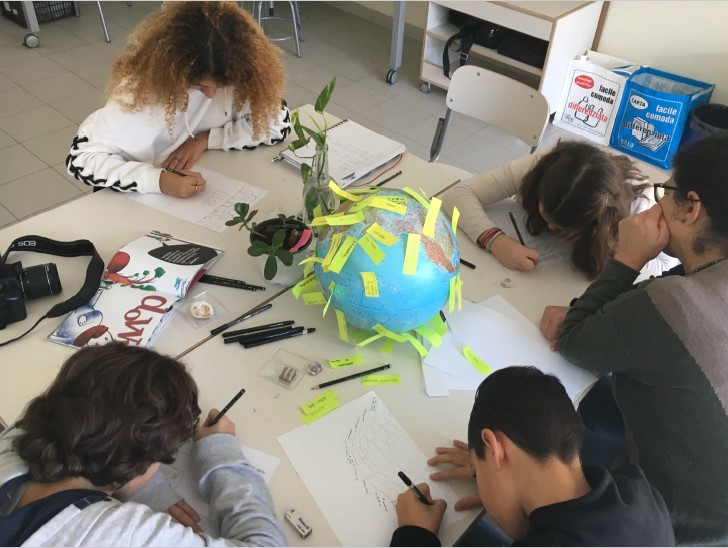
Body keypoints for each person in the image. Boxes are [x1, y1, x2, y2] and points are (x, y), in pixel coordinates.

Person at [547, 133, 728, 545]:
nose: (658, 203)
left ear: (691, 208)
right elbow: (638, 311)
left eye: (667, 191)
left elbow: (573, 341)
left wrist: (627, 258)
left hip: (672, 527)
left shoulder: (674, 304)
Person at [0, 344, 286, 546]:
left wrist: (138, 482)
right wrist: (220, 452)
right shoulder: (122, 533)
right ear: (138, 465)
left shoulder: (14, 442)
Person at [390, 366, 675, 547]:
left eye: (478, 467)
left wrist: (414, 535)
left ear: (494, 447)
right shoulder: (640, 493)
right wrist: (499, 477)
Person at [66, 2, 291, 199]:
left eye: (220, 86)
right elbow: (81, 160)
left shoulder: (235, 76)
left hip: (198, 178)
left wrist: (206, 139)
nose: (211, 95)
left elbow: (277, 124)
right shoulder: (138, 94)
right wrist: (158, 181)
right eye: (200, 86)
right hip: (135, 194)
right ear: (176, 71)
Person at [442, 141, 677, 278]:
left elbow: (664, 268)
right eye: (547, 216)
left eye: (564, 227)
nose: (551, 227)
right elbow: (458, 194)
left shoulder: (640, 207)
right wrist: (495, 240)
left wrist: (611, 246)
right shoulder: (548, 166)